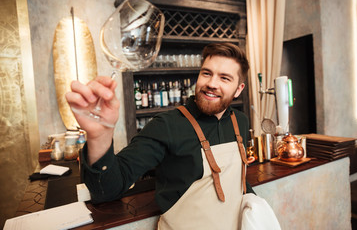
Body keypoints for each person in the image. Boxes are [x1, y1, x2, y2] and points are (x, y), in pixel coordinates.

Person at [66, 42, 255, 229]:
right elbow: (107, 189)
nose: (212, 84)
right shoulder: (166, 125)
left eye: (224, 78)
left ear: (238, 89)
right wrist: (99, 137)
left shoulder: (240, 121)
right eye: (207, 73)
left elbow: (235, 178)